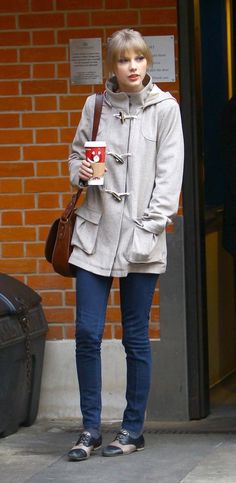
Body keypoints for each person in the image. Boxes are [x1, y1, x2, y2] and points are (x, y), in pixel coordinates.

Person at [67, 29, 184, 461]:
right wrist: (81, 172)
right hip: (95, 231)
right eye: (123, 60)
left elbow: (170, 177)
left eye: (138, 58)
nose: (132, 66)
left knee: (135, 337)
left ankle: (132, 429)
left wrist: (149, 228)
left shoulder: (165, 109)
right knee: (86, 332)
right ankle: (89, 430)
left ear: (147, 62)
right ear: (112, 67)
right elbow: (76, 156)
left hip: (140, 237)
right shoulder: (96, 106)